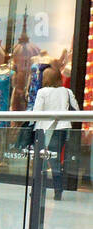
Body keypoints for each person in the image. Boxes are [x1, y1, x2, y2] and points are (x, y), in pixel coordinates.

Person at [32, 66, 76, 199]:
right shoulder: (67, 91)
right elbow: (77, 110)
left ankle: (38, 189)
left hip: (45, 129)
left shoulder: (42, 92)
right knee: (55, 160)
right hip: (62, 128)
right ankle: (58, 190)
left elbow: (37, 113)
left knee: (41, 160)